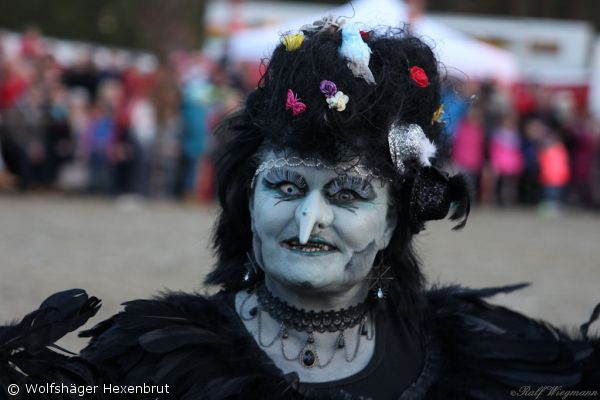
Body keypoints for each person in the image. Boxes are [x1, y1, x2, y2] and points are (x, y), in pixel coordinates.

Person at [1, 19, 599, 400]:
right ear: (248, 196)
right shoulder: (155, 362)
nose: (309, 222)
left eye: (348, 194)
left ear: (394, 219)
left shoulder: (475, 352)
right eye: (286, 188)